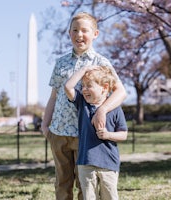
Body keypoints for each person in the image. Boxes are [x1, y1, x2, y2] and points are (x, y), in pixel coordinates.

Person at [41, 12, 127, 200]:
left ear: (95, 34)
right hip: (59, 132)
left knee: (84, 185)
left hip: (85, 135)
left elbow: (121, 92)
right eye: (75, 30)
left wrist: (102, 110)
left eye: (84, 30)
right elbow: (54, 96)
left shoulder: (101, 63)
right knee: (62, 182)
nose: (79, 34)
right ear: (69, 33)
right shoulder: (60, 63)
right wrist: (45, 125)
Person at [65, 65, 128, 200]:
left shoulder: (115, 109)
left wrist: (108, 135)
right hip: (86, 161)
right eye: (83, 85)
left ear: (104, 88)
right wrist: (83, 70)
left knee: (110, 196)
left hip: (109, 163)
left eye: (89, 85)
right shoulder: (82, 103)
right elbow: (68, 87)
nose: (84, 89)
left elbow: (124, 134)